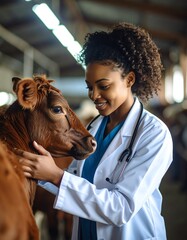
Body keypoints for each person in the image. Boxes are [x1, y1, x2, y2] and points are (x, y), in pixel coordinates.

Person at [17, 22, 173, 240]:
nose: (94, 95)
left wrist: (56, 176)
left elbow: (122, 208)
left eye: (104, 86)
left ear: (129, 79)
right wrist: (44, 172)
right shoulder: (93, 127)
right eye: (90, 87)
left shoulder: (154, 134)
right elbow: (75, 181)